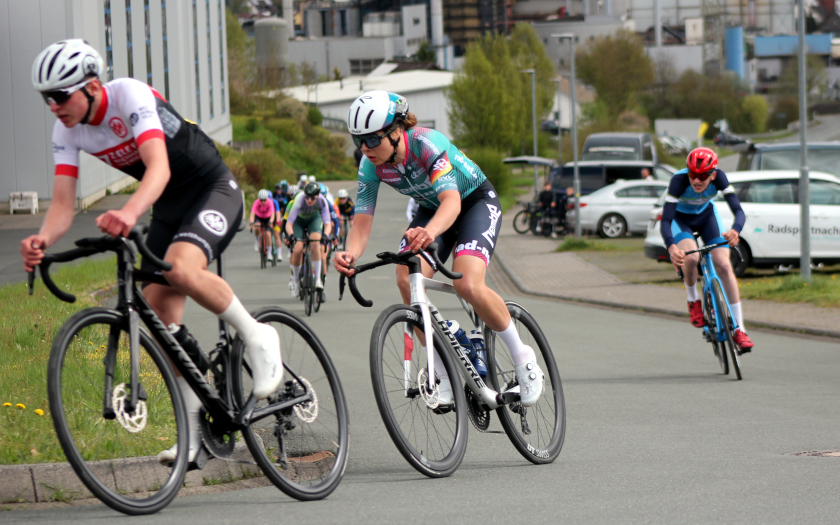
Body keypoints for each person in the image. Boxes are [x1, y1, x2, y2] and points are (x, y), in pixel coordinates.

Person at [22, 40, 282, 465]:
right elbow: (63, 205)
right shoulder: (66, 130)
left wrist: (127, 212)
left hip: (210, 189)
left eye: (60, 95)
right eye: (45, 98)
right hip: (168, 206)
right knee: (159, 316)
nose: (53, 106)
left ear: (90, 86)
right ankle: (195, 433)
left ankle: (259, 336)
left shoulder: (129, 96)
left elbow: (158, 167)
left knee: (180, 269)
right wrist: (41, 240)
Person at [334, 90, 544, 407]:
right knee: (405, 277)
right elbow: (362, 223)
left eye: (373, 140)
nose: (366, 148)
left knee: (467, 283)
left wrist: (428, 233)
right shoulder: (370, 166)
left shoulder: (426, 144)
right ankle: (442, 369)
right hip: (431, 211)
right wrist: (350, 253)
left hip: (473, 202)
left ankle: (523, 357)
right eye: (358, 140)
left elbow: (452, 201)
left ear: (396, 131)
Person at [661, 147, 753, 351]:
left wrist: (735, 230)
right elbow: (666, 220)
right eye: (693, 174)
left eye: (703, 176)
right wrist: (671, 247)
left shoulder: (720, 178)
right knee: (691, 258)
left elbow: (738, 210)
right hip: (680, 220)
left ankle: (740, 330)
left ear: (713, 174)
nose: (696, 180)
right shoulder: (678, 181)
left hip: (706, 217)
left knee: (723, 265)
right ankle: (693, 299)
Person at [284, 182, 333, 296]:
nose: (309, 200)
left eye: (312, 198)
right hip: (298, 222)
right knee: (297, 249)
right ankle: (295, 280)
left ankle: (317, 280)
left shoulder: (322, 200)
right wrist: (291, 235)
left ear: (317, 196)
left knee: (315, 244)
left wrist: (325, 235)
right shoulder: (299, 199)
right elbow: (289, 223)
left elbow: (327, 223)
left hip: (313, 220)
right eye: (307, 197)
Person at [250, 189, 275, 255]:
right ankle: (257, 240)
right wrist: (252, 222)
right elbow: (252, 213)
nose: (263, 202)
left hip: (267, 217)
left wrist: (271, 222)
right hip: (259, 217)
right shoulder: (256, 202)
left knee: (268, 234)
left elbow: (272, 214)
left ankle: (269, 253)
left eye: (264, 200)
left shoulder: (270, 202)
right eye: (261, 200)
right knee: (257, 226)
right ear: (259, 199)